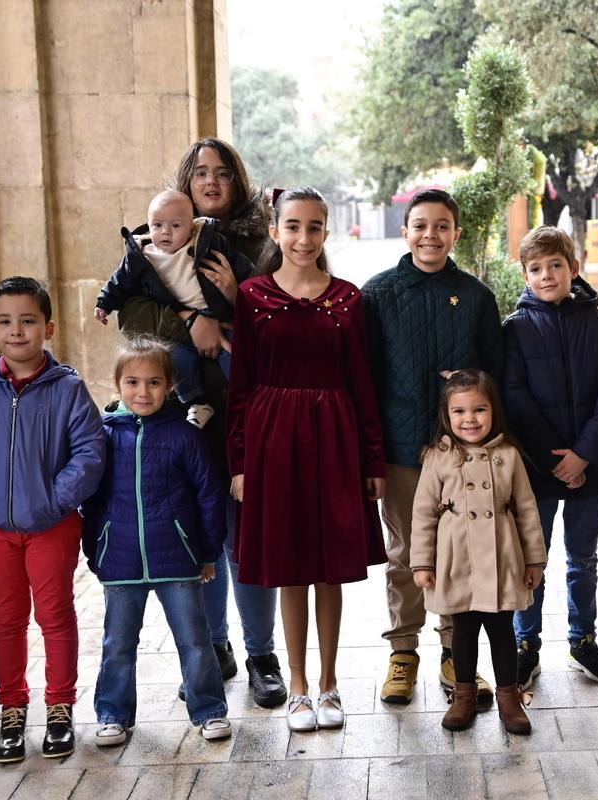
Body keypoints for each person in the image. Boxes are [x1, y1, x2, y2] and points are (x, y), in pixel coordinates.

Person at [115, 138, 286, 708]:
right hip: (184, 417)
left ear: (238, 181)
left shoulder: (265, 243)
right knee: (201, 539)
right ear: (185, 183)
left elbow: (286, 319)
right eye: (200, 173)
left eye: (223, 173)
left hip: (250, 411)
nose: (212, 182)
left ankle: (262, 654)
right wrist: (193, 319)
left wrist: (238, 302)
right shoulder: (160, 236)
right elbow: (131, 312)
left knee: (247, 538)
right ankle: (213, 649)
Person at [228, 187, 386, 732]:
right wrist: (239, 463)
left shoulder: (348, 299)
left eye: (314, 227)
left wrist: (372, 460)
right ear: (275, 231)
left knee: (328, 568)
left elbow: (363, 383)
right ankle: (296, 686)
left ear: (326, 232)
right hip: (272, 441)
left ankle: (329, 683)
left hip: (334, 439)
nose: (303, 237)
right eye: (292, 226)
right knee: (289, 566)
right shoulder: (251, 296)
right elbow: (240, 386)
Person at [0, 276, 105, 763]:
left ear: (48, 328)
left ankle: (60, 707)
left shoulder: (68, 389)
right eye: (6, 321)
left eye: (28, 320)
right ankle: (11, 710)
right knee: (6, 619)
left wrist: (53, 502)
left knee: (55, 616)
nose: (17, 331)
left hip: (52, 527)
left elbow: (90, 454)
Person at [362, 188, 504, 706]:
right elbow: (363, 379)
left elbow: (495, 372)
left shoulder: (475, 296)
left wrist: (468, 385)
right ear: (405, 231)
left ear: (456, 234)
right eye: (420, 225)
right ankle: (402, 653)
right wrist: (370, 455)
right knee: (405, 553)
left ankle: (455, 653)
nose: (430, 235)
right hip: (401, 450)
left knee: (456, 553)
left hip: (459, 452)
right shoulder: (377, 294)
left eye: (441, 226)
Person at [83, 337, 231, 745]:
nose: (143, 392)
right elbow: (90, 499)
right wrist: (96, 550)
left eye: (153, 382)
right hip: (120, 559)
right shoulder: (104, 435)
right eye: (132, 382)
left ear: (169, 385)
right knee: (117, 643)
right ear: (118, 383)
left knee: (195, 639)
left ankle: (210, 711)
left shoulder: (184, 435)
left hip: (178, 559)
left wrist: (207, 551)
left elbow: (208, 495)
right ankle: (113, 714)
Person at [502, 225, 598, 690]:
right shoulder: (515, 330)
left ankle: (583, 640)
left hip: (590, 468)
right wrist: (555, 460)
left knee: (583, 559)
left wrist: (584, 455)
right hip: (537, 470)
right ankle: (525, 644)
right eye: (536, 268)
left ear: (574, 268)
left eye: (556, 265)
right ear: (525, 275)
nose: (547, 275)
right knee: (531, 558)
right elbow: (514, 397)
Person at [410, 369, 546, 734]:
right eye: (459, 411)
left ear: (493, 411)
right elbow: (423, 512)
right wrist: (422, 562)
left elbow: (527, 510)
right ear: (446, 415)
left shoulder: (509, 455)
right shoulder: (438, 456)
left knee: (502, 630)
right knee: (463, 629)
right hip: (457, 557)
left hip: (502, 556)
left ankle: (509, 698)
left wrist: (535, 559)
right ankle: (464, 696)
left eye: (479, 410)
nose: (469, 419)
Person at [94, 190, 255, 429]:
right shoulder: (141, 255)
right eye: (157, 225)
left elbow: (244, 269)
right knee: (175, 360)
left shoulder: (207, 242)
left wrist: (244, 292)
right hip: (176, 327)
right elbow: (120, 282)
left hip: (216, 318)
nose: (165, 232)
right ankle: (196, 402)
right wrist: (104, 303)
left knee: (235, 355)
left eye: (175, 226)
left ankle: (247, 402)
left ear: (191, 226)